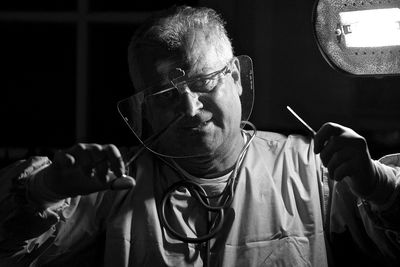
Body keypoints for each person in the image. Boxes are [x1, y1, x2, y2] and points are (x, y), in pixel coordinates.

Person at [1, 5, 400, 267]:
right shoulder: (115, 182)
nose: (190, 108)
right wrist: (44, 189)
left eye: (205, 81)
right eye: (164, 96)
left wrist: (378, 184)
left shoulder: (309, 168)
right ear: (144, 109)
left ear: (238, 78)